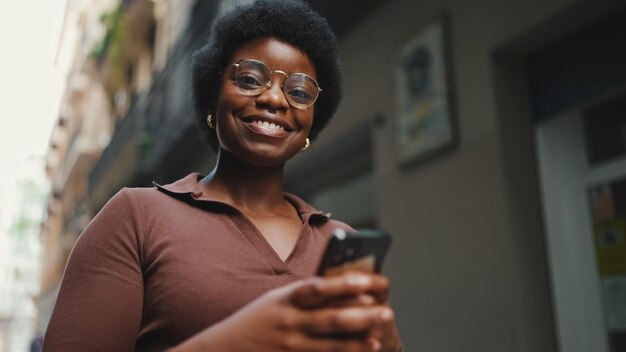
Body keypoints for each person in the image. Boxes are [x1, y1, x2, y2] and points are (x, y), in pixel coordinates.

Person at [42, 1, 404, 351]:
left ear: (311, 120)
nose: (275, 100)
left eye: (298, 92)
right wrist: (237, 340)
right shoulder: (135, 218)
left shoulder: (339, 238)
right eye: (249, 79)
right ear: (213, 97)